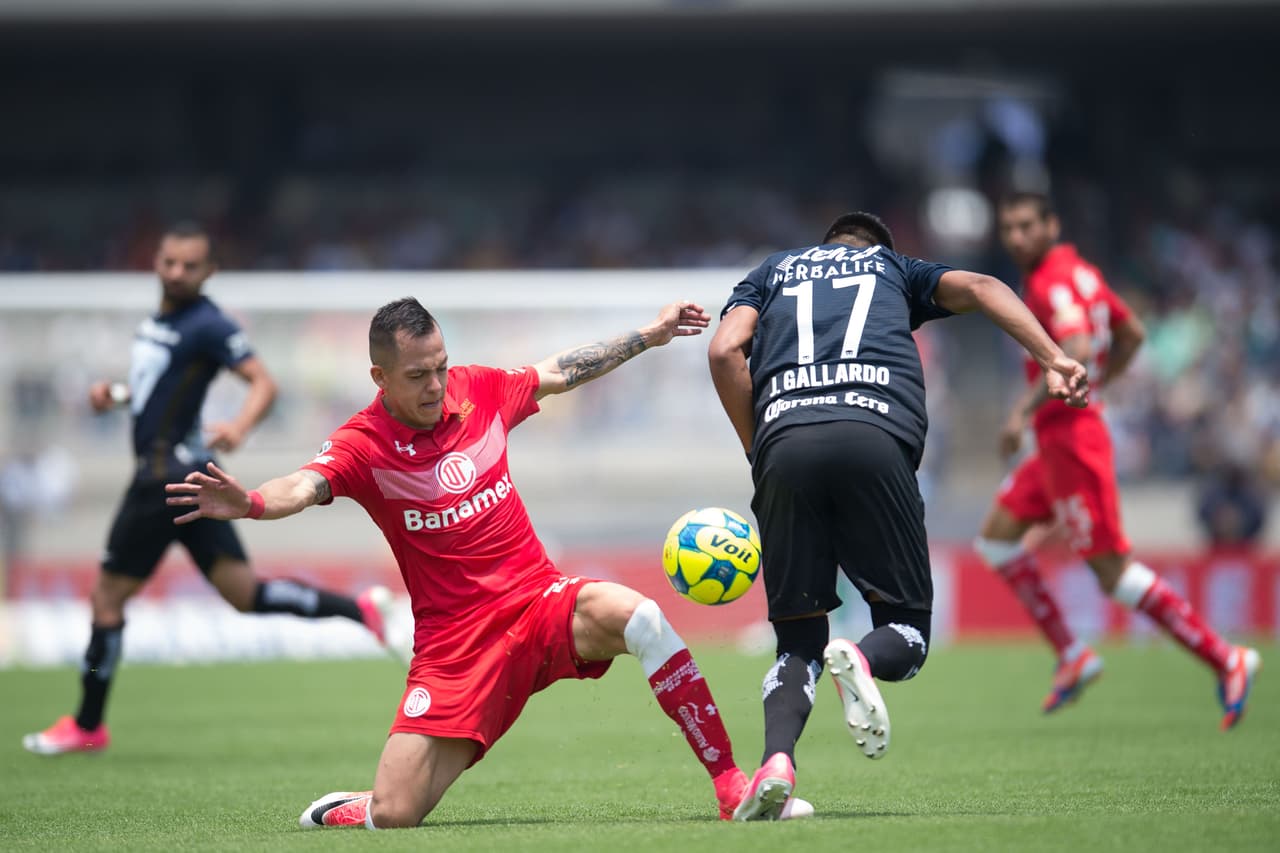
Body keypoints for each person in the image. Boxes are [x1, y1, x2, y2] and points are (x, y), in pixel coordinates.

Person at [164, 296, 805, 829]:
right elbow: (302, 486)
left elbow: (560, 371)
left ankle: (731, 788)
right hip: (455, 648)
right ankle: (351, 809)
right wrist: (248, 502)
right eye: (417, 375)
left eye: (440, 367)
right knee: (396, 814)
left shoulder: (478, 391)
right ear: (379, 378)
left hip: (538, 603)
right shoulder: (363, 445)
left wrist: (650, 335)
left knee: (641, 616)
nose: (436, 385)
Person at [708, 210, 1090, 820]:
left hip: (785, 446)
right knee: (907, 636)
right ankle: (861, 657)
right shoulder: (894, 268)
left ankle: (776, 763)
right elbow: (987, 288)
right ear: (876, 249)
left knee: (797, 644)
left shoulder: (772, 272)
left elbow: (726, 350)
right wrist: (1052, 358)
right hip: (873, 438)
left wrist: (761, 449)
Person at [22, 223, 397, 756]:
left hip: (161, 480)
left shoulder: (207, 324)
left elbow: (264, 383)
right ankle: (358, 609)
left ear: (209, 272)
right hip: (191, 475)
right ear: (158, 261)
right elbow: (165, 386)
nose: (176, 272)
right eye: (169, 262)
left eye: (189, 265)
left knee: (107, 598)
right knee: (245, 595)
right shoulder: (165, 322)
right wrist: (120, 393)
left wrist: (240, 428)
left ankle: (86, 725)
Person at [974, 192, 1260, 729]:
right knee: (996, 537)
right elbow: (1130, 334)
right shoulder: (1083, 273)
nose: (1016, 237)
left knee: (1112, 573)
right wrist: (1098, 384)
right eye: (1009, 227)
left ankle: (1227, 658)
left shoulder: (1050, 281)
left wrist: (1021, 410)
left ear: (1050, 225)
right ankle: (1072, 654)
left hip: (1073, 441)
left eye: (1027, 225)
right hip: (1059, 438)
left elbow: (1076, 345)